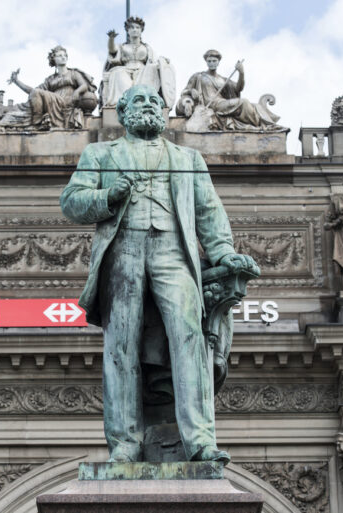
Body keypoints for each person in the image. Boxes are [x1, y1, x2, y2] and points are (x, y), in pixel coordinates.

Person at [60, 84, 256, 464]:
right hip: (123, 252)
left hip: (173, 252)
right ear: (124, 111)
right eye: (140, 100)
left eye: (154, 100)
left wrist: (224, 253)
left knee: (189, 337)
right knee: (121, 347)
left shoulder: (188, 158)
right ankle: (125, 444)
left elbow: (209, 213)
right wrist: (107, 197)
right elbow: (71, 201)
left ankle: (199, 440)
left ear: (163, 112)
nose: (149, 105)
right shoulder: (100, 154)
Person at [0, 45, 97, 131]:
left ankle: (36, 123)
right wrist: (17, 82)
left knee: (36, 95)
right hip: (52, 103)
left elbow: (84, 85)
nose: (63, 57)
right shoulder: (50, 79)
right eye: (59, 55)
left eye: (65, 55)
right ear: (54, 59)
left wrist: (77, 91)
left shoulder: (73, 73)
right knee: (20, 109)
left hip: (66, 101)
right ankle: (11, 121)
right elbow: (33, 92)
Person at [176, 49, 281, 131]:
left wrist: (241, 73)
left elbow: (238, 88)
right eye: (209, 61)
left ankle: (265, 124)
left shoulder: (223, 80)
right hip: (213, 106)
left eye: (214, 61)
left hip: (222, 103)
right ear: (206, 62)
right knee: (243, 102)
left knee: (255, 106)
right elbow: (184, 92)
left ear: (218, 62)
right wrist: (191, 92)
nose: (212, 63)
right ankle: (260, 123)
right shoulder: (198, 76)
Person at [101, 16, 175, 108]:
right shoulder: (122, 47)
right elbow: (112, 50)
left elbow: (154, 61)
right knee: (116, 73)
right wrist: (111, 39)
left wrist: (163, 61)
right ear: (128, 31)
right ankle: (122, 102)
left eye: (137, 27)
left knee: (152, 69)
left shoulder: (147, 48)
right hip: (126, 70)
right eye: (131, 28)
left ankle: (147, 99)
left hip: (142, 71)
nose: (134, 30)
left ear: (141, 30)